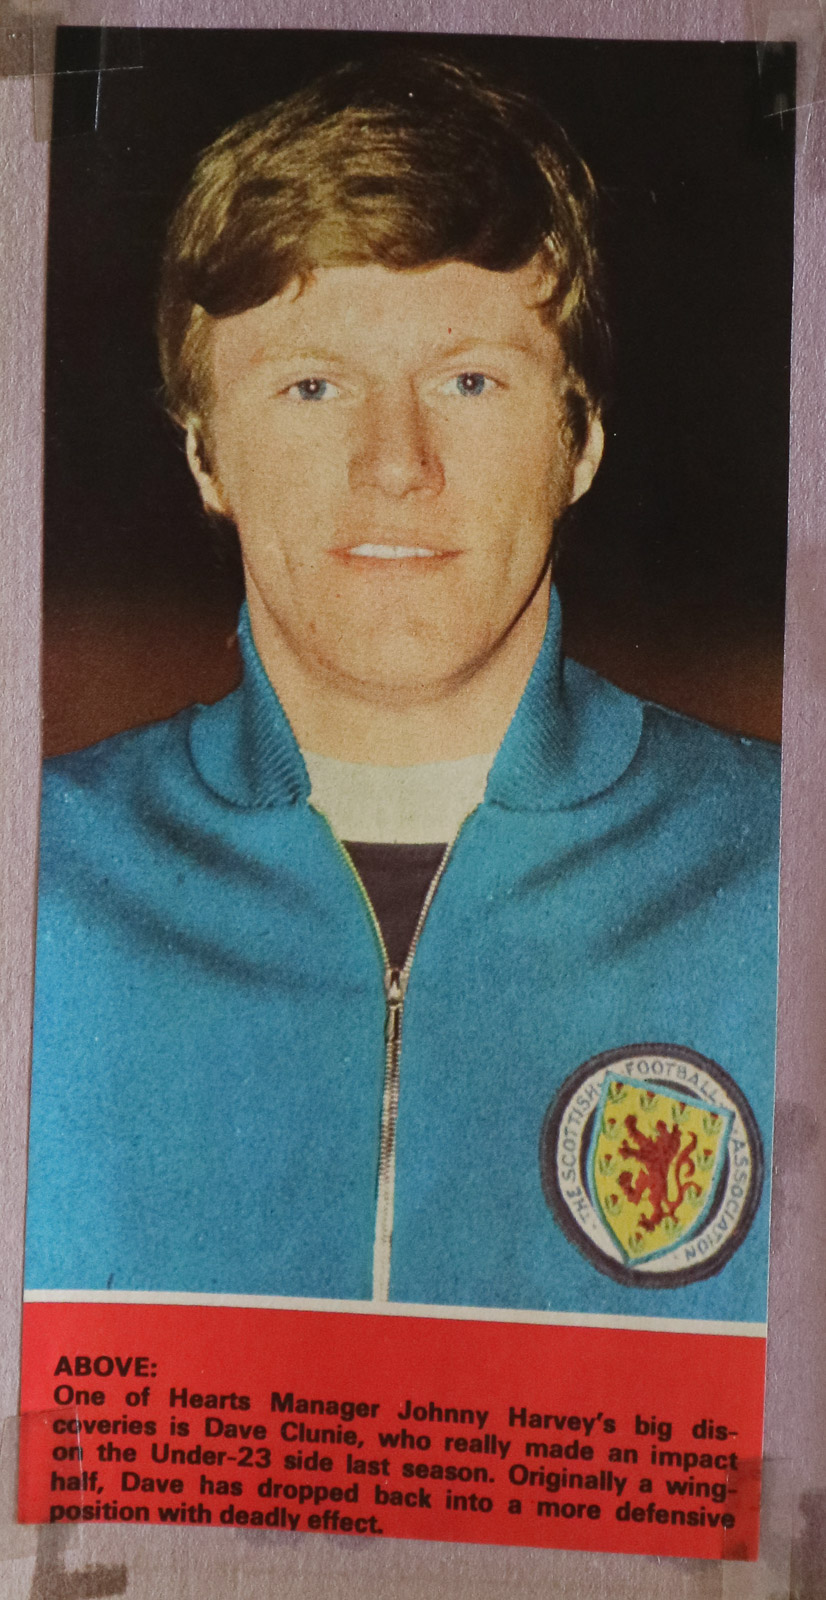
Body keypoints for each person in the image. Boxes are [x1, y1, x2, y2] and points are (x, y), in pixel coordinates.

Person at [24, 51, 779, 1319]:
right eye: (314, 386)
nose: (395, 463)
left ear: (580, 439)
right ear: (204, 451)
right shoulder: (41, 878)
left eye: (468, 381)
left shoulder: (783, 873)